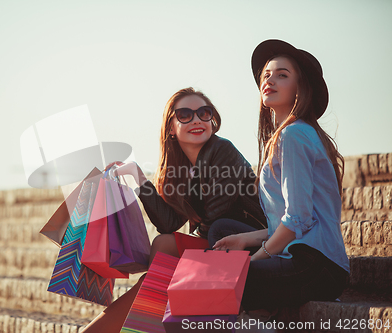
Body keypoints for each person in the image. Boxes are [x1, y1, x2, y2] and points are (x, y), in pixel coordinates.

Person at [82, 87, 266, 332]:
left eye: (204, 112)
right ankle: (124, 324)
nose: (197, 119)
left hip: (248, 239)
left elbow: (215, 216)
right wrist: (139, 177)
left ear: (213, 119)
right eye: (185, 115)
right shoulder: (182, 169)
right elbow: (168, 223)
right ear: (170, 127)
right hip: (219, 240)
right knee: (163, 246)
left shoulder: (222, 150)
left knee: (164, 256)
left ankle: (109, 328)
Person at [212, 39, 350, 311]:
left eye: (282, 75)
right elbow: (293, 220)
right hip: (299, 252)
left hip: (316, 265)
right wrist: (246, 240)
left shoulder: (294, 134)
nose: (270, 80)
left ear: (300, 88)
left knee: (223, 281)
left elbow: (298, 218)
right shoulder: (285, 136)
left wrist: (256, 258)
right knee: (223, 231)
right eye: (266, 75)